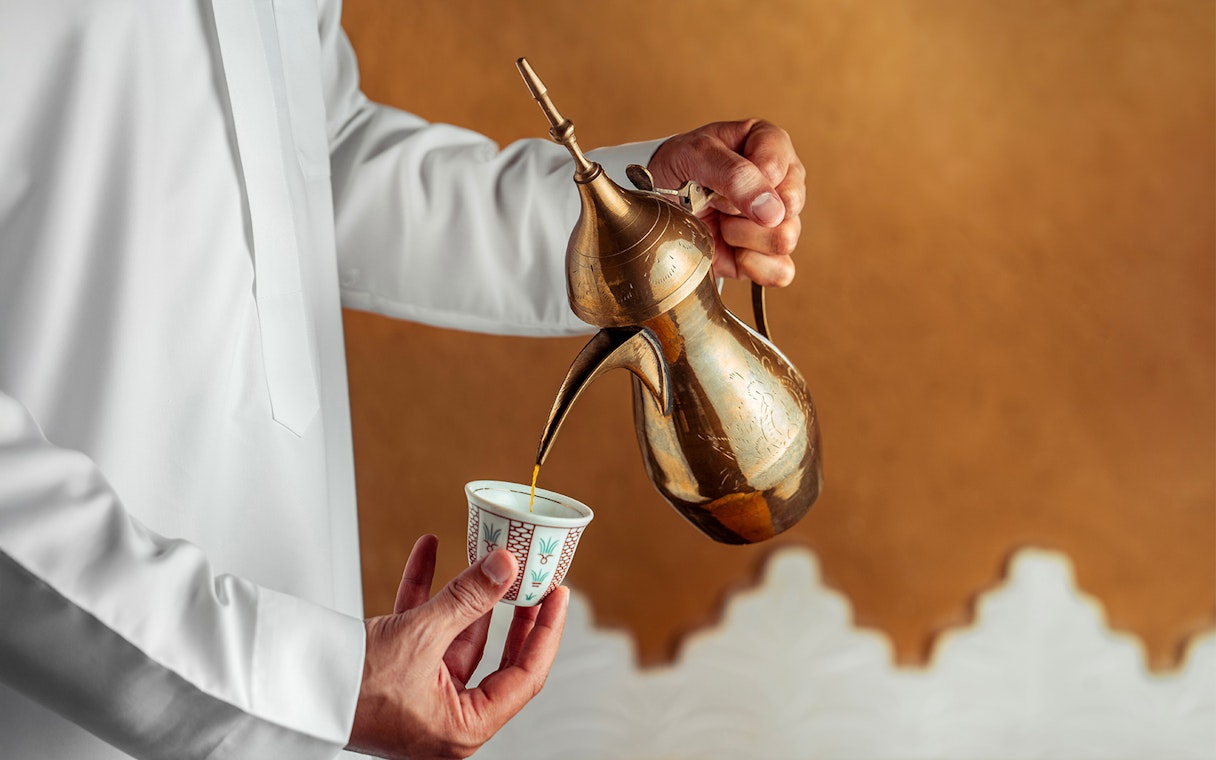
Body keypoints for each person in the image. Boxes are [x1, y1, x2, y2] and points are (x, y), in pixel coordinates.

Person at [0, 2, 804, 759]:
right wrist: (312, 682)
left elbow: (312, 150)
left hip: (308, 629)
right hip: (62, 691)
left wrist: (634, 220)